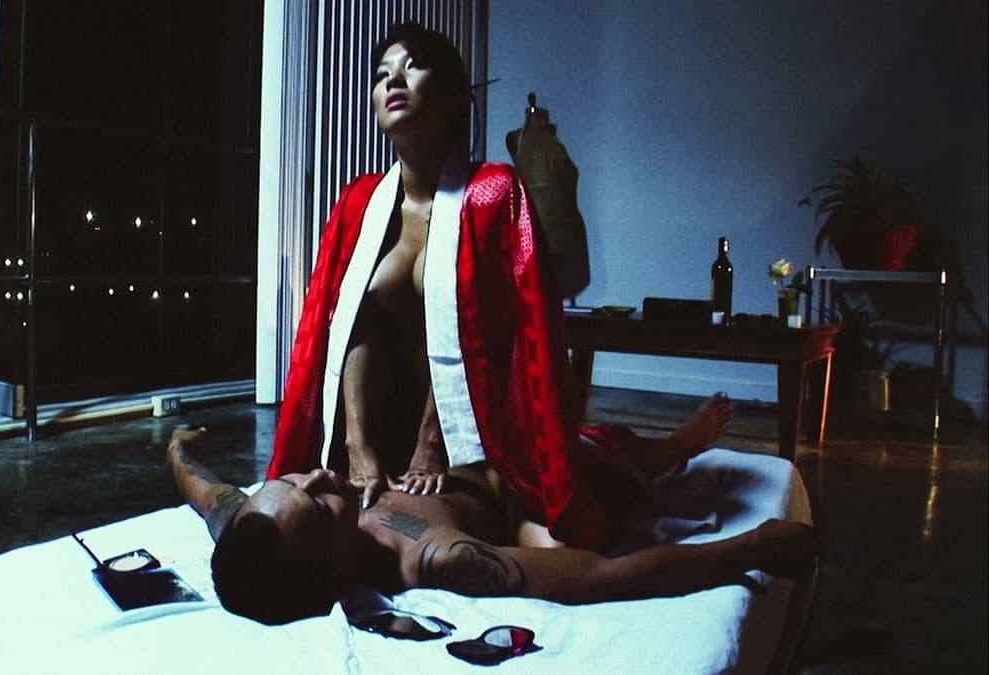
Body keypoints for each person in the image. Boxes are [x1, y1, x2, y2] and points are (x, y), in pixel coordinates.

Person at [268, 21, 669, 550]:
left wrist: (433, 442)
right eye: (383, 74)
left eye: (413, 67)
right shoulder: (357, 204)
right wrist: (356, 448)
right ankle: (658, 450)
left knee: (569, 527)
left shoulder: (493, 192)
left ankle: (676, 449)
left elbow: (508, 334)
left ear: (455, 96)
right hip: (375, 438)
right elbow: (345, 332)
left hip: (470, 437)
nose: (394, 81)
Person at [168, 426, 818, 626]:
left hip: (483, 443)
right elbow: (604, 575)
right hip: (527, 484)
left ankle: (665, 446)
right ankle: (679, 446)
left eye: (292, 479)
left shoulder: (258, 526)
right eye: (317, 501)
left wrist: (174, 448)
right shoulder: (434, 555)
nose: (317, 476)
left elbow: (206, 491)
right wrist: (753, 544)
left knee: (597, 436)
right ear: (331, 572)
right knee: (611, 477)